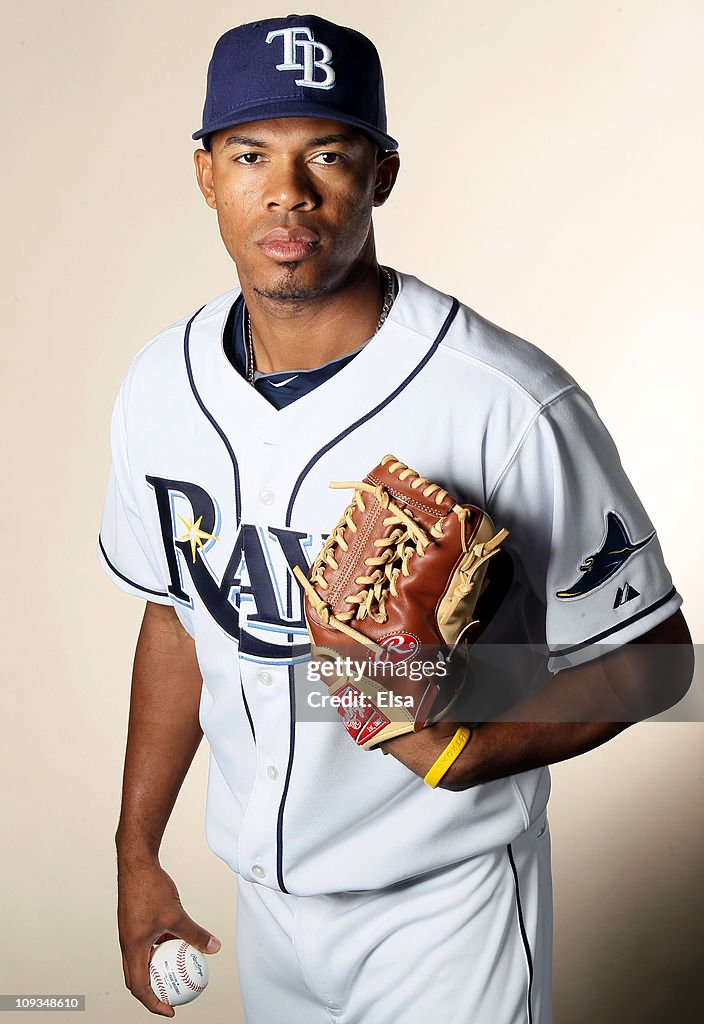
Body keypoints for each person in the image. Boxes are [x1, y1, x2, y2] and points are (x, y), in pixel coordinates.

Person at [98, 14, 693, 1023]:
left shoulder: (502, 400)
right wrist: (134, 852)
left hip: (443, 915)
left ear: (382, 173)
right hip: (266, 913)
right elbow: (172, 618)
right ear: (206, 173)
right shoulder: (161, 383)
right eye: (251, 154)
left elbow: (656, 659)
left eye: (327, 153)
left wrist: (464, 739)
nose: (287, 191)